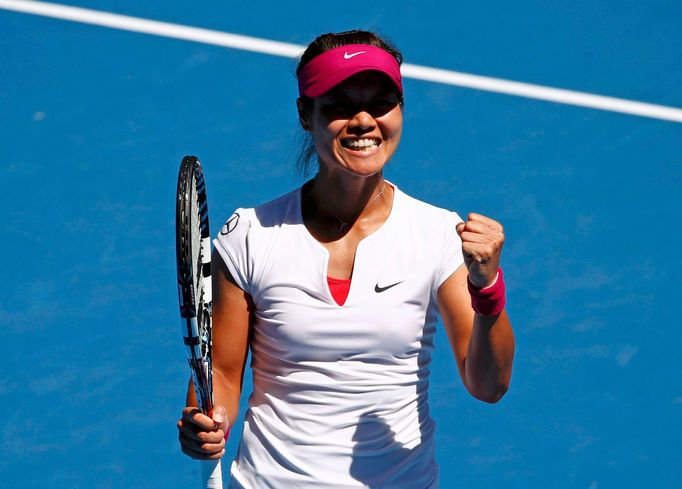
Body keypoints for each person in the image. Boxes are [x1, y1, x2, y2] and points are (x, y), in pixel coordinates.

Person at [177, 30, 516, 488]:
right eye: (339, 105)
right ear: (305, 115)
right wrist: (208, 418)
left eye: (381, 102)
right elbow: (221, 370)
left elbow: (488, 386)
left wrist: (487, 288)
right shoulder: (250, 236)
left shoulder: (437, 236)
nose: (363, 120)